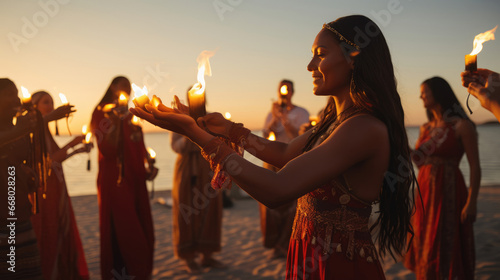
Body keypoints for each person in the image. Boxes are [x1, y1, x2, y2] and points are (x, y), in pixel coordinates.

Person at [131, 15, 417, 280]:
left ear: (354, 57)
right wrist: (227, 130)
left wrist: (194, 133)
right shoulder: (334, 122)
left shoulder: (363, 128)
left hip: (339, 266)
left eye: (320, 54)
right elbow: (282, 155)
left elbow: (278, 189)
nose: (309, 66)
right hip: (309, 256)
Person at [404, 77, 480, 279]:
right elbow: (419, 162)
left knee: (446, 239)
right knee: (425, 239)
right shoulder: (426, 128)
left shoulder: (461, 126)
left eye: (424, 91)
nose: (421, 96)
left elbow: (475, 166)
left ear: (438, 93)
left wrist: (472, 202)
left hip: (449, 190)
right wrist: (402, 143)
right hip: (425, 192)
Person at [90, 76, 155, 280]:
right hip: (115, 180)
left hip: (136, 179)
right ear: (113, 87)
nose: (126, 90)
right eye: (122, 85)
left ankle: (140, 274)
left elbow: (137, 145)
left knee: (143, 230)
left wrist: (147, 167)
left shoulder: (131, 114)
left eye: (129, 86)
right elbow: (107, 150)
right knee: (126, 231)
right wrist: (116, 122)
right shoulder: (102, 113)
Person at [29, 91, 90, 280]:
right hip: (44, 192)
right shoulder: (33, 132)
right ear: (34, 107)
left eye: (51, 103)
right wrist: (72, 143)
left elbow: (55, 162)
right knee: (48, 232)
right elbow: (46, 164)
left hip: (56, 187)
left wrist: (78, 149)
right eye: (45, 102)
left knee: (58, 231)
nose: (50, 107)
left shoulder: (44, 131)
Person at [261, 79, 309, 259]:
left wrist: (285, 120)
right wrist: (275, 117)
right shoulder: (272, 112)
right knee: (272, 204)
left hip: (292, 159)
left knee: (293, 205)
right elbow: (266, 134)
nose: (284, 93)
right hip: (272, 159)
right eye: (282, 89)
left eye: (287, 89)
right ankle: (275, 244)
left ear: (292, 92)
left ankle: (287, 243)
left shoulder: (301, 112)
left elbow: (299, 137)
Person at [0, 78, 42, 279]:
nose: (16, 98)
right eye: (9, 94)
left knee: (27, 272)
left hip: (19, 211)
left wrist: (25, 171)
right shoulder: (14, 128)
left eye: (16, 93)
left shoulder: (15, 124)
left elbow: (12, 158)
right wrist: (19, 131)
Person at [171, 130, 225, 274]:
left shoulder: (208, 118)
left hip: (207, 166)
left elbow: (219, 145)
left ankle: (207, 255)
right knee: (186, 209)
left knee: (210, 208)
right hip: (187, 167)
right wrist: (187, 130)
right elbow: (175, 146)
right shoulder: (177, 119)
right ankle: (189, 258)